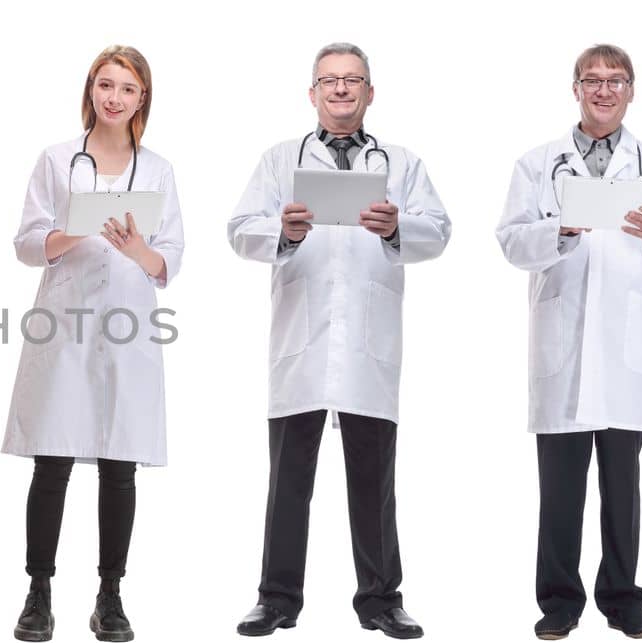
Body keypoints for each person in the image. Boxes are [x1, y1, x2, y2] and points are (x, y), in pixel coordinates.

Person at [226, 42, 450, 640]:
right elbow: (239, 229)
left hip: (367, 345)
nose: (342, 89)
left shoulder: (400, 161)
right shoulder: (280, 160)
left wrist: (399, 226)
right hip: (302, 341)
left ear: (370, 92)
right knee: (287, 481)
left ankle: (381, 601)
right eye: (330, 81)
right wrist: (284, 230)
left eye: (353, 80)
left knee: (374, 480)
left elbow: (440, 230)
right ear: (313, 93)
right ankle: (275, 600)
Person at [495, 44, 642, 641]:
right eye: (592, 80)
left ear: (632, 90)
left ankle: (622, 599)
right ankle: (559, 602)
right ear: (576, 88)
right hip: (562, 343)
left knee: (622, 486)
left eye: (616, 81)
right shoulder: (539, 164)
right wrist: (557, 230)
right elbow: (509, 241)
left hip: (625, 348)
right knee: (559, 490)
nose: (604, 90)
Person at [2, 44, 184, 643]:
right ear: (90, 90)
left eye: (127, 89)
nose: (114, 97)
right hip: (64, 322)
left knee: (118, 462)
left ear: (142, 99)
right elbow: (27, 243)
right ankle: (38, 593)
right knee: (51, 460)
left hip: (128, 327)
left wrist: (139, 251)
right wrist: (68, 231)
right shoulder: (58, 161)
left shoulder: (157, 169)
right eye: (105, 85)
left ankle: (110, 595)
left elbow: (171, 258)